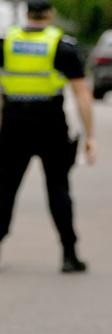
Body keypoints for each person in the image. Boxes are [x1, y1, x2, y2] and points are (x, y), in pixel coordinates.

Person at [0, 0, 96, 272]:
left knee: (5, 189)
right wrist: (90, 137)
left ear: (27, 13)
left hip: (13, 122)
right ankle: (68, 254)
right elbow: (82, 95)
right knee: (58, 188)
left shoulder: (7, 43)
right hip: (49, 122)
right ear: (51, 15)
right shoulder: (62, 47)